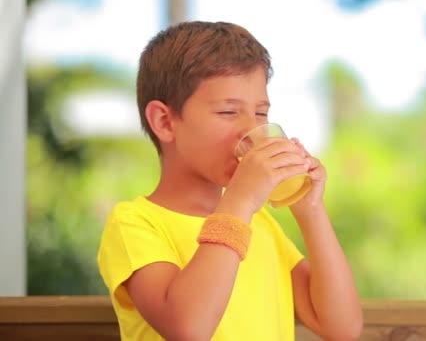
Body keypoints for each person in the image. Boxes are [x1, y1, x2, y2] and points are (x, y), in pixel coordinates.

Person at [97, 21, 362, 341]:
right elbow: (188, 328)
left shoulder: (257, 223)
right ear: (165, 122)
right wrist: (240, 201)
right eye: (228, 112)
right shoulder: (135, 224)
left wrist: (311, 212)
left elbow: (342, 327)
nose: (250, 130)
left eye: (261, 113)